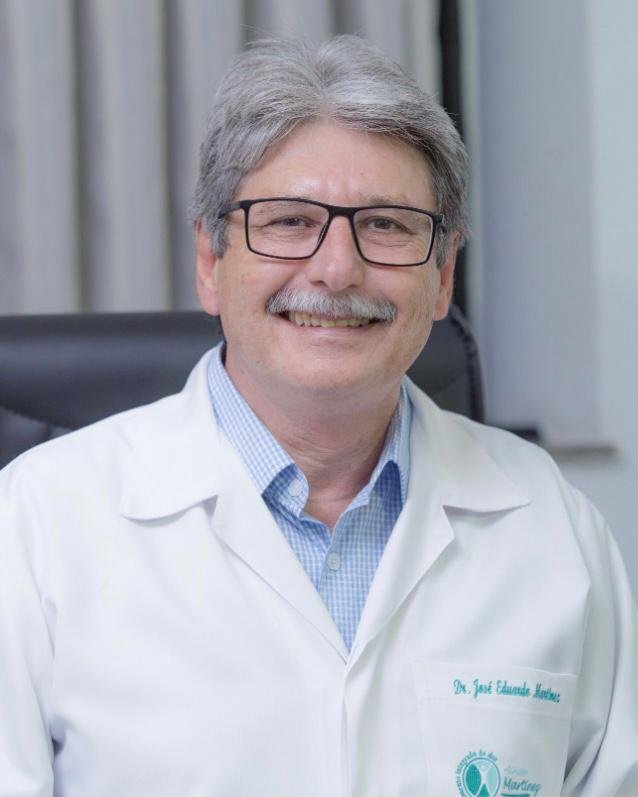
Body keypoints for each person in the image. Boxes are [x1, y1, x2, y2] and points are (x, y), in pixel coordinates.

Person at [0, 35, 636, 797]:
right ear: (210, 261)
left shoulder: (553, 525)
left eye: (387, 225)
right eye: (290, 221)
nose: (337, 268)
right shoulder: (36, 524)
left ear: (442, 276)